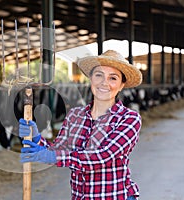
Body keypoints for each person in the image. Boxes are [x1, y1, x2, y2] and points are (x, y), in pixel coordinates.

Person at [19, 50, 142, 200]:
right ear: (90, 78)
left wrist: (52, 156)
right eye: (99, 75)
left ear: (121, 85)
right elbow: (59, 150)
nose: (104, 83)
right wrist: (37, 138)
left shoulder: (129, 118)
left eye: (113, 78)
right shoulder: (75, 115)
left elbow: (103, 156)